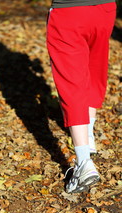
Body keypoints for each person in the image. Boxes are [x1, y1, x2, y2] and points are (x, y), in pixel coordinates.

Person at [47, 0, 116, 193]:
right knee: (94, 69)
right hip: (104, 9)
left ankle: (84, 162)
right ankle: (89, 135)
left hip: (69, 11)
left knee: (71, 82)